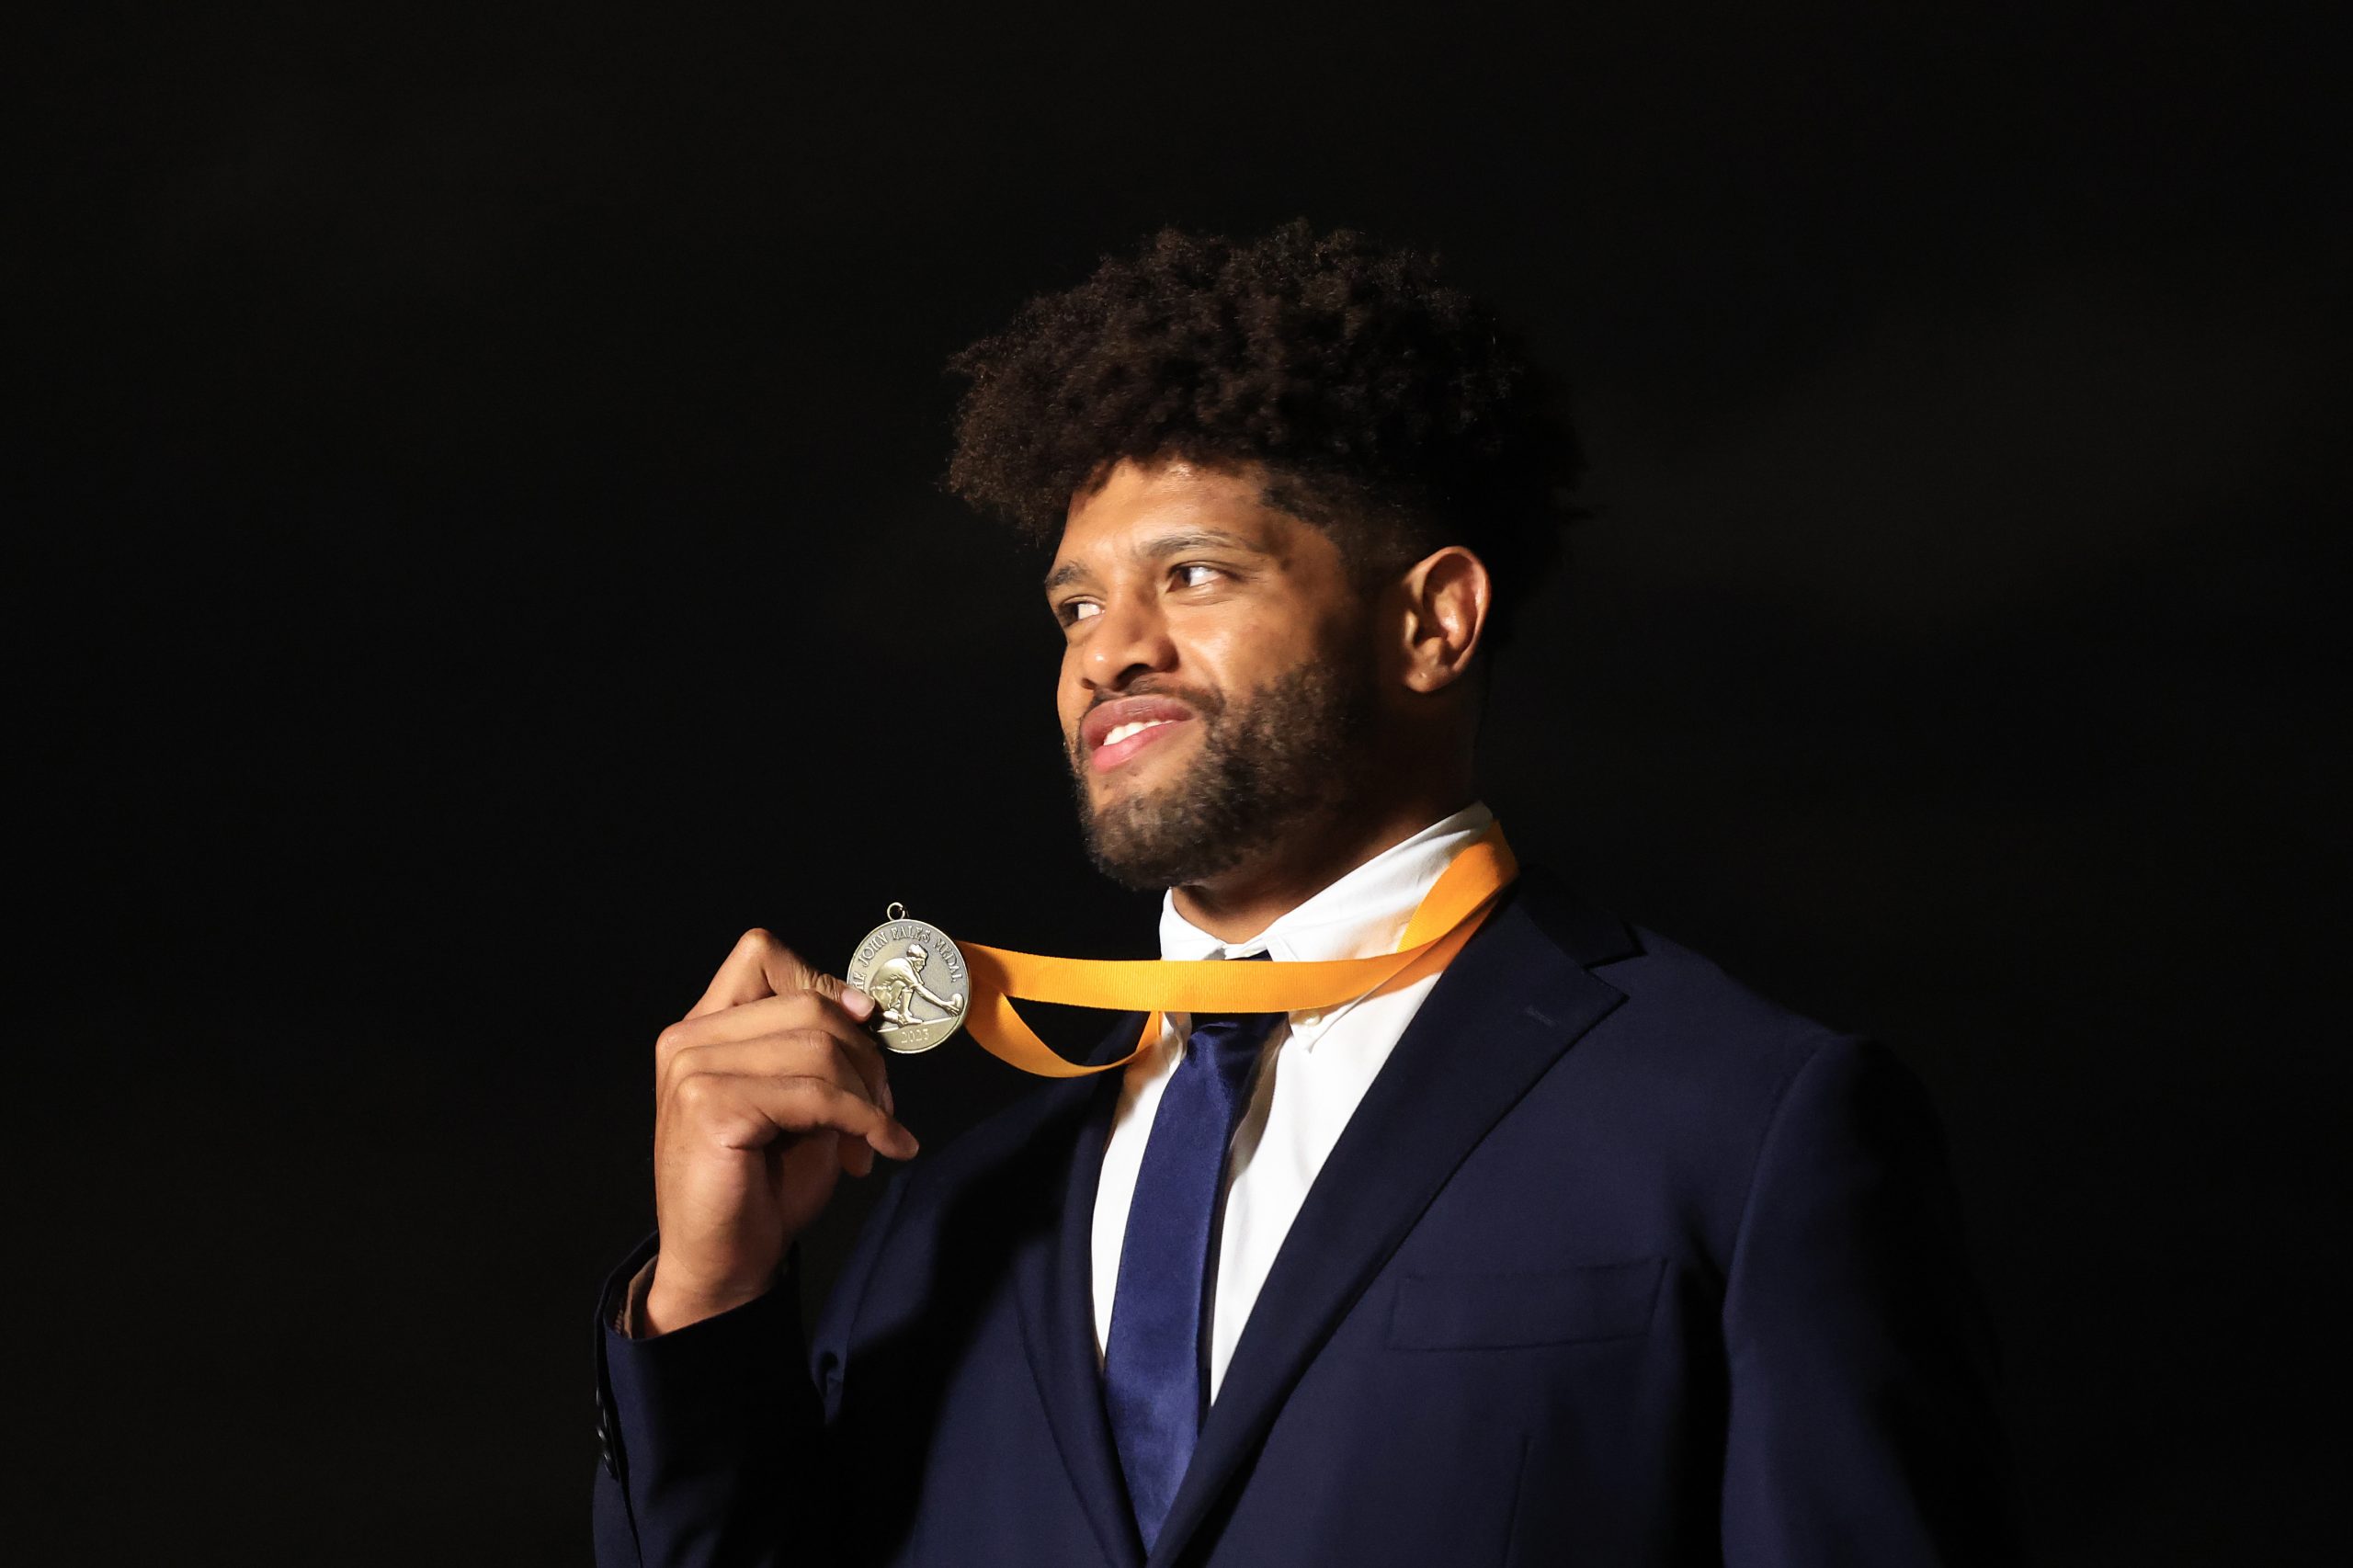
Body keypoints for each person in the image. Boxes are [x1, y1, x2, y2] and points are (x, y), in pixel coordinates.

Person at [590, 222, 2017, 1566]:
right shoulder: (947, 1212)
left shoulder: (1748, 1127)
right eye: (1077, 606)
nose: (1108, 654)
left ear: (1429, 620)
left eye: (1193, 574)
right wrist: (706, 1298)